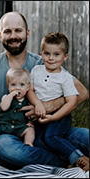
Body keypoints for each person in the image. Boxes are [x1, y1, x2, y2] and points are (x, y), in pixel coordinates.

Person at [0, 11, 89, 171]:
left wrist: (47, 106)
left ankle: (51, 154)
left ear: (27, 32)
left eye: (18, 30)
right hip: (10, 135)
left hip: (47, 129)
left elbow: (82, 92)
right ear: (0, 35)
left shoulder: (43, 63)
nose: (13, 36)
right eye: (8, 31)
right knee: (4, 147)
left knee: (85, 136)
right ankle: (63, 161)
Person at [28, 32, 89, 171]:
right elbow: (29, 90)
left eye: (56, 54)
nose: (51, 58)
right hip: (40, 116)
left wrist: (54, 117)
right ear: (41, 53)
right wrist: (37, 103)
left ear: (65, 56)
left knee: (51, 137)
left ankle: (79, 158)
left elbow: (72, 101)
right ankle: (63, 161)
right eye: (47, 53)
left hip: (60, 116)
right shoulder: (36, 70)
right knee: (37, 141)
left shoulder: (65, 77)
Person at [0, 68, 35, 167]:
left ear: (28, 87)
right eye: (13, 85)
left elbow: (31, 115)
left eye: (22, 85)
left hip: (18, 126)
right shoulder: (6, 97)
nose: (17, 88)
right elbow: (4, 107)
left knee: (30, 130)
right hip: (2, 124)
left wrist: (31, 123)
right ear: (8, 86)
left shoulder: (28, 101)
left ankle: (28, 144)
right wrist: (11, 95)